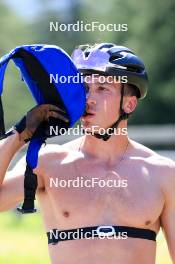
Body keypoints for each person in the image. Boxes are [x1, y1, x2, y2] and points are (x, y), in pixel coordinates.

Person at [0, 43, 175, 264]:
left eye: (102, 89)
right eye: (84, 88)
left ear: (129, 104)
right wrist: (19, 134)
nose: (89, 99)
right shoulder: (48, 163)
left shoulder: (163, 174)